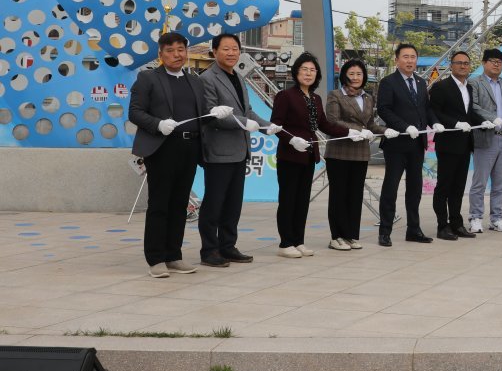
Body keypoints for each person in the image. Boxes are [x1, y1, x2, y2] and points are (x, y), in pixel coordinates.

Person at [128, 31, 206, 278]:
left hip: (189, 147)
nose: (176, 54)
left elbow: (201, 112)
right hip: (162, 148)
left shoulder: (195, 81)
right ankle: (156, 259)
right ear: (160, 54)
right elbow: (135, 112)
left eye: (181, 49)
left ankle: (174, 255)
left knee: (180, 204)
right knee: (160, 204)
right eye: (170, 50)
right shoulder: (148, 78)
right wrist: (157, 124)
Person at [197, 33, 278, 268]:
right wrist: (243, 123)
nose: (231, 53)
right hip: (219, 151)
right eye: (226, 49)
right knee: (214, 203)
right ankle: (209, 250)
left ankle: (228, 246)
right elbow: (214, 115)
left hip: (239, 151)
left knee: (233, 203)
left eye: (235, 49)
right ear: (214, 52)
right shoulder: (207, 78)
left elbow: (248, 111)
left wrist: (266, 126)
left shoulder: (238, 77)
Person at [270, 52, 353, 258]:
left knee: (302, 200)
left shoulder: (315, 98)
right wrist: (291, 140)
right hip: (290, 155)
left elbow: (324, 125)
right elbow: (276, 126)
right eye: (304, 69)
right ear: (296, 72)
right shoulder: (285, 96)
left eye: (312, 70)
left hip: (308, 156)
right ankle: (285, 242)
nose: (308, 74)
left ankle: (299, 240)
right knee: (288, 199)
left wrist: (350, 132)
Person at [325, 58, 399, 251]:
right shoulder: (335, 95)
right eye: (351, 74)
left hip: (360, 152)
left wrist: (385, 130)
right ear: (344, 76)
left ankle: (350, 235)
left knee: (355, 195)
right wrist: (357, 130)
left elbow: (370, 125)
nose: (356, 77)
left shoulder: (367, 97)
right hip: (339, 151)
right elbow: (333, 121)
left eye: (359, 74)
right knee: (338, 195)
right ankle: (336, 236)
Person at [376, 43, 436, 246]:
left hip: (417, 144)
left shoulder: (420, 82)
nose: (410, 61)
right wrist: (404, 126)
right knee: (391, 188)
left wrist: (434, 121)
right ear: (397, 60)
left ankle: (413, 229)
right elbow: (384, 109)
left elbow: (425, 108)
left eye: (413, 57)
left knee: (415, 188)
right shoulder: (388, 82)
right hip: (396, 144)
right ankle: (385, 231)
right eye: (406, 57)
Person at [468, 48, 502, 233]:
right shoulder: (475, 83)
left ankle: (496, 218)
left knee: (500, 183)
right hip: (485, 138)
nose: (496, 64)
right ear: (484, 63)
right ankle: (475, 217)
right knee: (480, 182)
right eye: (492, 60)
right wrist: (491, 117)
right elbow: (472, 106)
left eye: (500, 61)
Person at [428, 51, 479, 241]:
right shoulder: (441, 87)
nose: (463, 66)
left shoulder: (470, 88)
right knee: (444, 187)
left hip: (465, 144)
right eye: (459, 63)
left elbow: (469, 114)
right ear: (451, 65)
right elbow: (434, 111)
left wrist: (489, 121)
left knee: (458, 187)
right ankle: (442, 226)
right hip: (448, 144)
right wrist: (454, 123)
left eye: (466, 63)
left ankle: (457, 224)